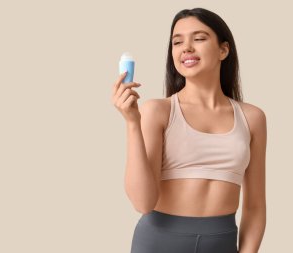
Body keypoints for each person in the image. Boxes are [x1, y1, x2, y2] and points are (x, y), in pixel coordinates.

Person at [111, 7, 266, 253]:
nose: (186, 48)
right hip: (157, 243)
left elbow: (255, 206)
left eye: (199, 38)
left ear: (223, 50)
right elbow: (143, 202)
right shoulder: (158, 111)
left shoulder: (252, 118)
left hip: (222, 243)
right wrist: (132, 122)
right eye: (177, 42)